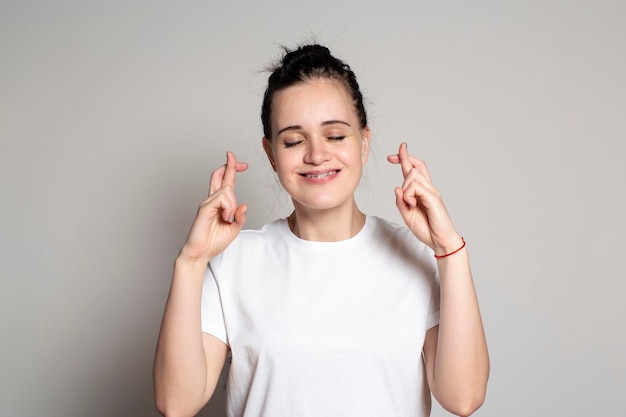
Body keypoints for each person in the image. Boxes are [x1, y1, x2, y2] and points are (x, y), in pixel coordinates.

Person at [154, 44, 489, 417]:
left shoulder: (417, 254)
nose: (316, 154)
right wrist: (191, 260)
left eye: (335, 135)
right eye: (294, 141)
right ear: (271, 154)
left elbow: (464, 398)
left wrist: (450, 250)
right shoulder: (234, 261)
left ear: (364, 143)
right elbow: (176, 404)